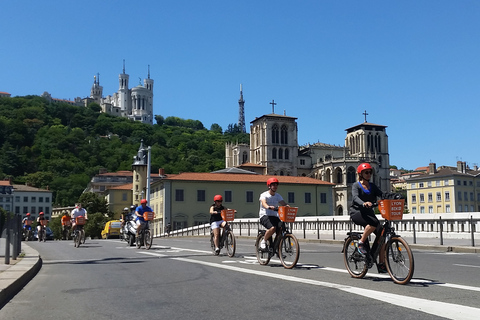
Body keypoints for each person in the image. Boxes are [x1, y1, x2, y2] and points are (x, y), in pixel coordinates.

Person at [349, 162, 387, 273]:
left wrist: (393, 196)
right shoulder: (356, 185)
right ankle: (360, 242)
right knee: (373, 223)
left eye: (370, 172)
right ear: (361, 174)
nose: (369, 174)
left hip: (368, 213)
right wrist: (363, 203)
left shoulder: (373, 186)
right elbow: (355, 197)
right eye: (366, 172)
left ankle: (381, 264)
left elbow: (382, 194)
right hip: (357, 212)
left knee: (382, 236)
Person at [258, 177, 288, 250]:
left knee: (281, 229)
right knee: (272, 228)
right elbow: (264, 203)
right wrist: (268, 207)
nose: (275, 186)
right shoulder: (264, 195)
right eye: (273, 185)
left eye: (276, 185)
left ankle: (276, 248)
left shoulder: (278, 195)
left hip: (275, 216)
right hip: (265, 216)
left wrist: (288, 207)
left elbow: (283, 203)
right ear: (269, 186)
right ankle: (263, 241)